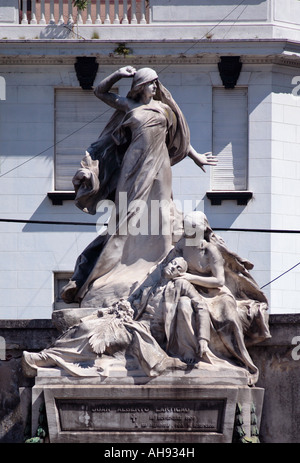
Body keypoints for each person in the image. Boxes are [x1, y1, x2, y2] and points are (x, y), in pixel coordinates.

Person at [61, 66, 217, 309]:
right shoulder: (130, 106)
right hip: (133, 165)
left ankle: (161, 260)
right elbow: (100, 92)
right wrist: (119, 74)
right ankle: (118, 262)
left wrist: (196, 156)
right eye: (151, 83)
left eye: (156, 83)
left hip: (160, 163)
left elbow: (177, 138)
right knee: (129, 214)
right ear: (141, 86)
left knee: (163, 211)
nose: (155, 87)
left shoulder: (164, 108)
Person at [22, 258, 211, 378]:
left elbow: (201, 305)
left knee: (93, 335)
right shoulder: (150, 287)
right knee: (87, 325)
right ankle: (50, 355)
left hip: (146, 334)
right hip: (131, 324)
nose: (174, 267)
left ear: (181, 274)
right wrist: (121, 308)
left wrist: (203, 338)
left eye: (179, 268)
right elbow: (131, 303)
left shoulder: (180, 285)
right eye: (173, 263)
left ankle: (49, 358)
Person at [165, 211, 271, 385]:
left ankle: (240, 359)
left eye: (194, 230)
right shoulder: (182, 246)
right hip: (192, 292)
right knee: (183, 306)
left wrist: (190, 278)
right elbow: (168, 264)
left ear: (203, 230)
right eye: (187, 230)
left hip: (217, 293)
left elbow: (219, 280)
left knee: (229, 318)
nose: (190, 234)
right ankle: (190, 354)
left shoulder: (210, 250)